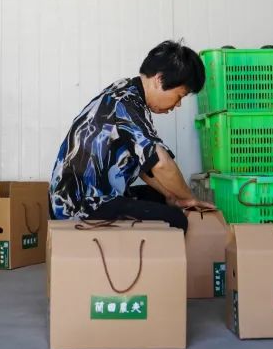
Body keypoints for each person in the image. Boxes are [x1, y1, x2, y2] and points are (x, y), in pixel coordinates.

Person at [48, 40, 216, 231]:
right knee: (175, 220)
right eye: (179, 96)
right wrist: (189, 198)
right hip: (76, 206)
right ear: (159, 80)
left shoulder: (127, 92)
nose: (177, 105)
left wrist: (172, 196)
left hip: (88, 198)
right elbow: (160, 163)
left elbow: (145, 166)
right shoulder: (126, 105)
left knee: (162, 199)